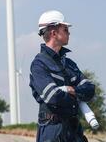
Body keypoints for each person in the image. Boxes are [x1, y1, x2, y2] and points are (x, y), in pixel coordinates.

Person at [29, 10, 95, 142]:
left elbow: (90, 89)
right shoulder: (39, 64)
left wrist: (73, 91)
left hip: (73, 131)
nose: (69, 33)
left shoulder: (69, 64)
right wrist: (77, 96)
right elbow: (53, 97)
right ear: (54, 33)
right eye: (65, 29)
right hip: (52, 132)